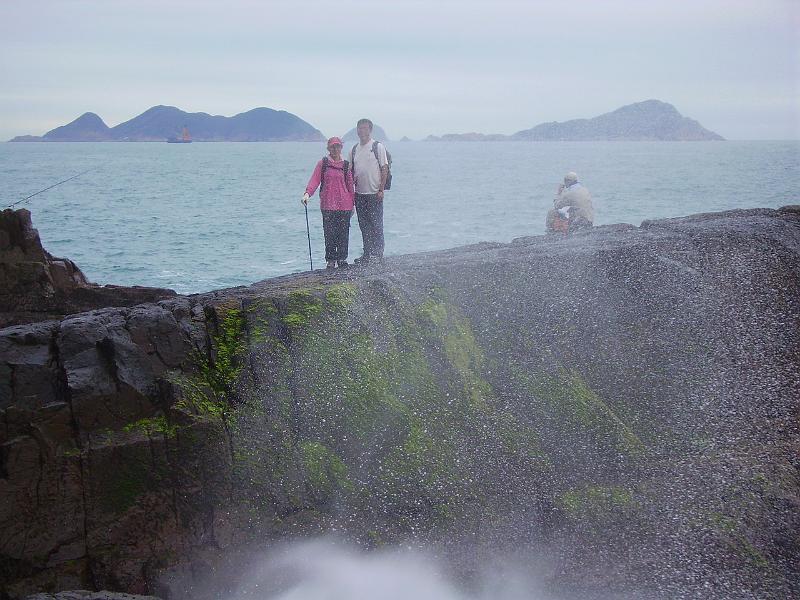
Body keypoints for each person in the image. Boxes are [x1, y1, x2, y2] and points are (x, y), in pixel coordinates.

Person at [303, 137, 355, 269]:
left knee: (343, 233)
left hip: (345, 205)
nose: (335, 149)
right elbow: (315, 180)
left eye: (338, 146)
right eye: (333, 147)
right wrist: (307, 193)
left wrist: (353, 204)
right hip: (328, 204)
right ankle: (331, 259)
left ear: (341, 148)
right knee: (329, 232)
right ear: (328, 148)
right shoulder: (323, 163)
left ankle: (342, 258)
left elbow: (350, 186)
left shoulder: (346, 165)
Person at [349, 118, 389, 265]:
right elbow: (350, 173)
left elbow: (384, 168)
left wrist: (381, 189)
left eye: (365, 128)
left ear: (370, 130)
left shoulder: (377, 147)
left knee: (376, 224)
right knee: (363, 225)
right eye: (360, 128)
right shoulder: (353, 149)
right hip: (359, 194)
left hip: (374, 193)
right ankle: (367, 253)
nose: (362, 131)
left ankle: (378, 254)